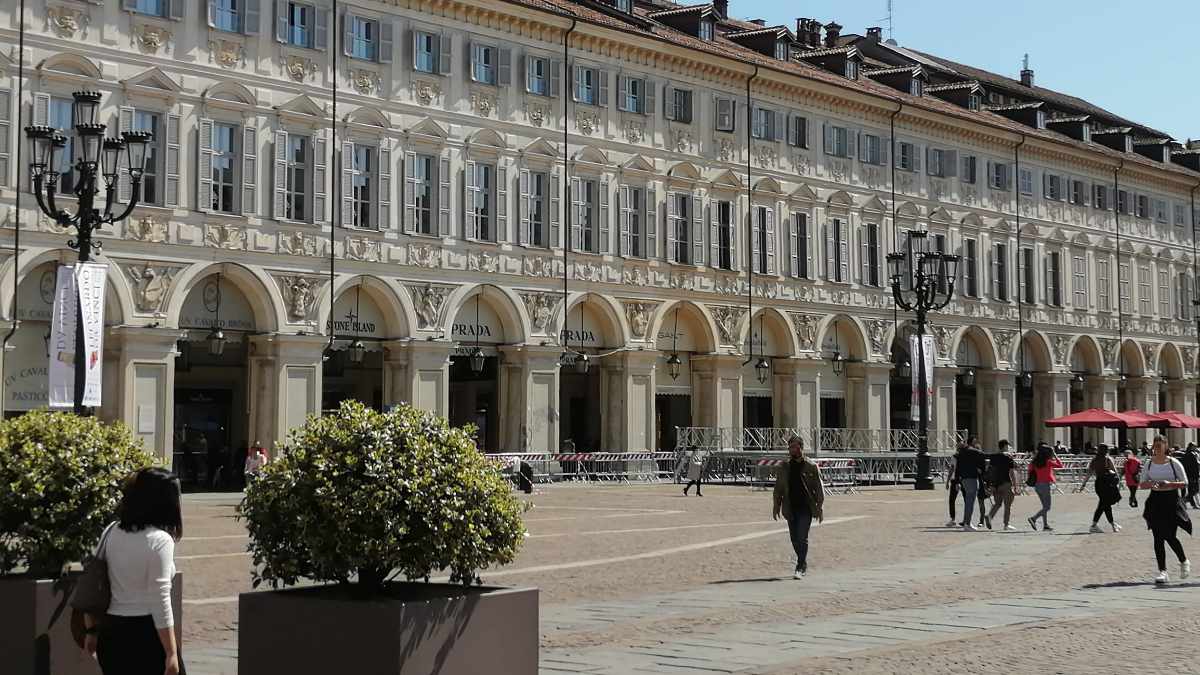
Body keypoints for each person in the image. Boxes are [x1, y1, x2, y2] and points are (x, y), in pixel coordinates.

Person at [83, 467, 183, 675]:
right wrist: (171, 653)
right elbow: (160, 598)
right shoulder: (160, 540)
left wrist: (92, 631)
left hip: (111, 633)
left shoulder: (111, 531)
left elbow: (94, 582)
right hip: (146, 636)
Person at [1139, 436, 1192, 584]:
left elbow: (1185, 483)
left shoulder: (1174, 463)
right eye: (1155, 445)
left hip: (1171, 501)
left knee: (1169, 535)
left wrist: (1170, 484)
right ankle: (1163, 571)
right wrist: (1152, 484)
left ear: (1165, 446)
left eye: (1159, 445)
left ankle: (1183, 561)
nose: (1157, 448)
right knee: (1157, 537)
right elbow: (1142, 484)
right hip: (1155, 502)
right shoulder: (1149, 463)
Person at [772, 437, 824, 579]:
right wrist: (776, 505)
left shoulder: (811, 466)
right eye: (790, 447)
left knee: (802, 537)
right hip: (790, 506)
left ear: (801, 448)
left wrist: (820, 507)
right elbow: (779, 487)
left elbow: (818, 488)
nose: (792, 450)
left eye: (795, 447)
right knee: (794, 538)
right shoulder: (784, 467)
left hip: (805, 507)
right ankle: (803, 561)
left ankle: (800, 565)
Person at [1078, 448, 1122, 533]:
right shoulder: (1107, 459)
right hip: (1108, 484)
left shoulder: (1094, 460)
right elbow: (1115, 472)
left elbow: (1089, 473)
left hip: (1099, 484)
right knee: (1105, 505)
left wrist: (1083, 484)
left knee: (1103, 504)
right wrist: (1118, 483)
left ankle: (1098, 525)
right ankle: (1110, 524)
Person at [1027, 443, 1063, 531]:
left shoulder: (1034, 462)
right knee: (1047, 507)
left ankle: (1045, 525)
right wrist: (1055, 455)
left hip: (1037, 485)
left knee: (1044, 506)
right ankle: (1033, 518)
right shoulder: (1048, 462)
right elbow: (1060, 465)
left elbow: (1029, 470)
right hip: (1045, 485)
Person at [986, 440, 1019, 531]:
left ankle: (989, 516)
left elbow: (990, 470)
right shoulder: (1008, 458)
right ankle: (1006, 524)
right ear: (1005, 446)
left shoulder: (993, 457)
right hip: (1006, 483)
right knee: (1007, 504)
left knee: (998, 503)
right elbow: (1012, 472)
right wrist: (1015, 485)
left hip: (996, 484)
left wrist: (990, 485)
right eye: (1007, 446)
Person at [956, 436, 987, 531]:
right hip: (972, 478)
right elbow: (984, 456)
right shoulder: (973, 451)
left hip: (964, 479)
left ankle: (966, 522)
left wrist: (957, 481)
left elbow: (958, 468)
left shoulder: (961, 453)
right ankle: (967, 524)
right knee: (970, 502)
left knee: (968, 502)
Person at [945, 443, 964, 527]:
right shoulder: (966, 457)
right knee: (967, 500)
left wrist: (947, 481)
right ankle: (966, 519)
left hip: (955, 480)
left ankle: (953, 519)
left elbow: (952, 469)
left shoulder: (954, 456)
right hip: (965, 479)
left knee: (952, 500)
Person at [1181, 443, 1200, 509]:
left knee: (1192, 490)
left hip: (1190, 474)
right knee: (1193, 490)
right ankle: (1184, 501)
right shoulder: (1191, 454)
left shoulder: (1188, 454)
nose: (1196, 447)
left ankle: (1191, 503)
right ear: (1191, 447)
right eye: (1194, 446)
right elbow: (1194, 466)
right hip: (1192, 475)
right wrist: (1196, 475)